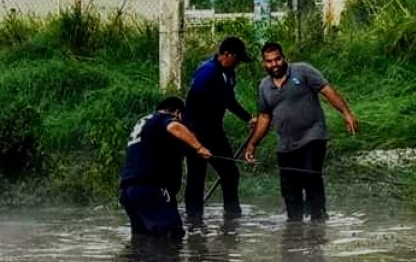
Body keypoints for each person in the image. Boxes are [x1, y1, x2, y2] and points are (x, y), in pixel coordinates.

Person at [244, 41, 359, 222]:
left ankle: (318, 220)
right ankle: (294, 232)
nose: (274, 65)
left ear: (284, 58)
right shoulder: (264, 86)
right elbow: (265, 118)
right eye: (269, 61)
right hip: (286, 144)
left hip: (313, 135)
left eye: (277, 59)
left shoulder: (303, 71)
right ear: (264, 63)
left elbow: (327, 90)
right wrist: (252, 144)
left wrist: (346, 113)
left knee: (310, 176)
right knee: (289, 190)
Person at [184, 36, 256, 219]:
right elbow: (192, 100)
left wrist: (248, 118)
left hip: (215, 131)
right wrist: (192, 134)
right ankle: (194, 220)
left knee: (230, 172)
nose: (238, 63)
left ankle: (232, 215)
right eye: (237, 59)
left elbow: (229, 101)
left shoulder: (229, 73)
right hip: (197, 131)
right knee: (196, 177)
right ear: (227, 54)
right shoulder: (207, 71)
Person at [119, 96, 211, 238]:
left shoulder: (146, 123)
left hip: (128, 191)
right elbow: (174, 127)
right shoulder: (165, 118)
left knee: (142, 239)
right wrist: (199, 147)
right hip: (152, 189)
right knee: (172, 234)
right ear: (177, 113)